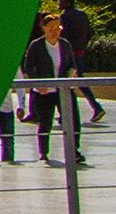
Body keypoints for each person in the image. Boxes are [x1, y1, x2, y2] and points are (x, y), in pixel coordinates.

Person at [24, 12, 87, 165]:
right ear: (44, 28)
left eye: (57, 27)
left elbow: (72, 63)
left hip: (63, 90)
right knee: (45, 122)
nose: (54, 31)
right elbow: (28, 67)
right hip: (44, 92)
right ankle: (44, 152)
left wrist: (72, 72)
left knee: (72, 120)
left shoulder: (65, 44)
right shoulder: (36, 45)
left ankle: (74, 151)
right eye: (51, 28)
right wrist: (39, 84)